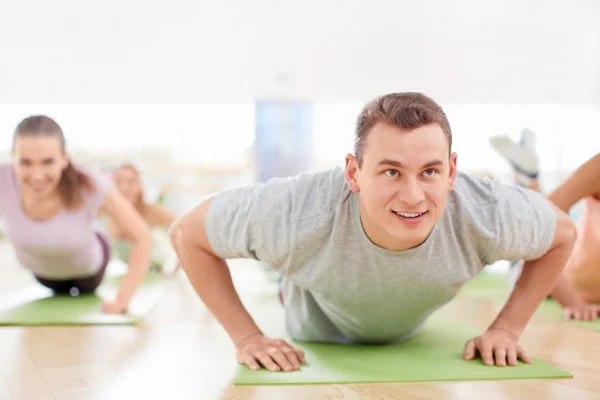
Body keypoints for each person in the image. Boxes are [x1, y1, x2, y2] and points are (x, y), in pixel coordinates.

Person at [170, 92, 576, 372]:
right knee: (282, 265)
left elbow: (563, 233)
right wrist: (247, 338)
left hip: (400, 320)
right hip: (312, 310)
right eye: (391, 171)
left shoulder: (485, 210)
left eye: (430, 171)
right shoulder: (295, 211)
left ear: (452, 171)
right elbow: (187, 233)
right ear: (353, 172)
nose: (414, 195)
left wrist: (507, 329)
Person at [0, 115, 152, 314]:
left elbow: (142, 237)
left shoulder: (90, 184)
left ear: (64, 158)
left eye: (48, 162)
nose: (37, 175)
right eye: (25, 163)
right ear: (13, 156)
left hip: (89, 273)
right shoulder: (3, 180)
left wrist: (122, 300)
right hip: (44, 277)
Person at [490, 131, 600, 320]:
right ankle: (527, 180)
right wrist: (572, 302)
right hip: (557, 271)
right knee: (519, 269)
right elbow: (539, 224)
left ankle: (528, 179)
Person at [106, 163, 179, 274]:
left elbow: (187, 230)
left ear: (140, 185)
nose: (124, 188)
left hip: (159, 282)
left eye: (131, 182)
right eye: (119, 182)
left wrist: (175, 269)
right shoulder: (110, 215)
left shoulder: (152, 211)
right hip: (127, 280)